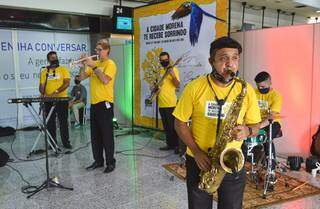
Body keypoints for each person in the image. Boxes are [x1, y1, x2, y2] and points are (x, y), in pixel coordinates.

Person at [173, 36, 261, 209]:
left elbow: (256, 126)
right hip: (200, 160)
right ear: (211, 61)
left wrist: (248, 131)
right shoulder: (194, 87)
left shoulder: (246, 89)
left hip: (231, 161)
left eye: (235, 58)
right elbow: (180, 123)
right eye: (223, 58)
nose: (230, 64)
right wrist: (197, 152)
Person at [78, 39, 117, 173]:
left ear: (107, 50)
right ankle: (98, 161)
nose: (97, 52)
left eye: (100, 49)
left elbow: (105, 80)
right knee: (95, 135)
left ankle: (110, 162)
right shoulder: (95, 63)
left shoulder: (110, 64)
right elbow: (81, 77)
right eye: (96, 50)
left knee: (107, 135)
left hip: (105, 103)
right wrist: (83, 65)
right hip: (94, 104)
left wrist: (94, 66)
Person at [39, 51, 72, 149]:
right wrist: (44, 94)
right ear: (49, 60)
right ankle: (52, 143)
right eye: (52, 58)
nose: (55, 59)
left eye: (56, 57)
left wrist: (56, 92)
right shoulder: (44, 71)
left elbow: (67, 83)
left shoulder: (63, 69)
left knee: (63, 122)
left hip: (61, 99)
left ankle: (66, 143)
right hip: (48, 101)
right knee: (50, 122)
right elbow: (41, 86)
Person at [254, 71, 283, 172]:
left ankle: (271, 168)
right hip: (256, 122)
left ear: (270, 82)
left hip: (272, 123)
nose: (260, 89)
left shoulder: (276, 96)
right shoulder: (253, 92)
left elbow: (272, 116)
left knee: (267, 138)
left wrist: (258, 126)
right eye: (258, 87)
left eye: (263, 86)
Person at [157, 51, 181, 154]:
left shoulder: (174, 69)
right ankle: (169, 144)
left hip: (170, 103)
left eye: (166, 60)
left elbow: (177, 85)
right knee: (166, 126)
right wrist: (155, 88)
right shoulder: (160, 72)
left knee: (173, 126)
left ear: (169, 59)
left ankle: (177, 146)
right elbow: (159, 86)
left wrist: (173, 75)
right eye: (162, 60)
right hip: (161, 103)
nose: (164, 62)